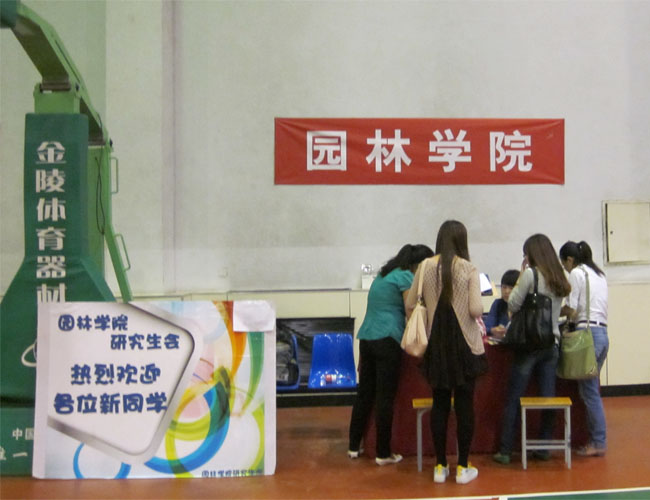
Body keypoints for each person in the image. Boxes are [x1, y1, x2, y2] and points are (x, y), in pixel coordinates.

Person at [405, 221, 487, 485]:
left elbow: (410, 303)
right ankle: (462, 467)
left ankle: (440, 466)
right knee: (464, 406)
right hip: (465, 345)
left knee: (439, 404)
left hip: (437, 343)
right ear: (462, 240)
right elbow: (475, 309)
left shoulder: (425, 266)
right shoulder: (468, 268)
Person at [348, 243, 434, 465]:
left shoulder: (384, 275)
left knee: (365, 393)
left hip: (367, 337)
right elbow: (410, 309)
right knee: (385, 396)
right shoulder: (406, 277)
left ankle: (353, 446)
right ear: (418, 265)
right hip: (388, 338)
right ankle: (383, 453)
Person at [493, 234, 571, 465]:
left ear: (532, 254)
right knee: (548, 396)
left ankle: (506, 450)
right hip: (551, 344)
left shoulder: (530, 274)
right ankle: (544, 447)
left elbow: (513, 304)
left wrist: (521, 276)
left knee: (514, 396)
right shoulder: (559, 276)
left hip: (529, 345)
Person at [559, 240, 609, 457]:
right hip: (602, 334)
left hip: (586, 337)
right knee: (591, 389)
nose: (565, 269)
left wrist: (555, 310)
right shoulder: (599, 274)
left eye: (564, 265)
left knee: (589, 392)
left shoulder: (577, 274)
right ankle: (595, 438)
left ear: (570, 260)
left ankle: (598, 441)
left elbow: (572, 309)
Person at [484, 269, 520, 339]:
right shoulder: (497, 304)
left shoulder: (523, 307)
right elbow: (487, 326)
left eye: (511, 288)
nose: (506, 291)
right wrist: (492, 330)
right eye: (504, 287)